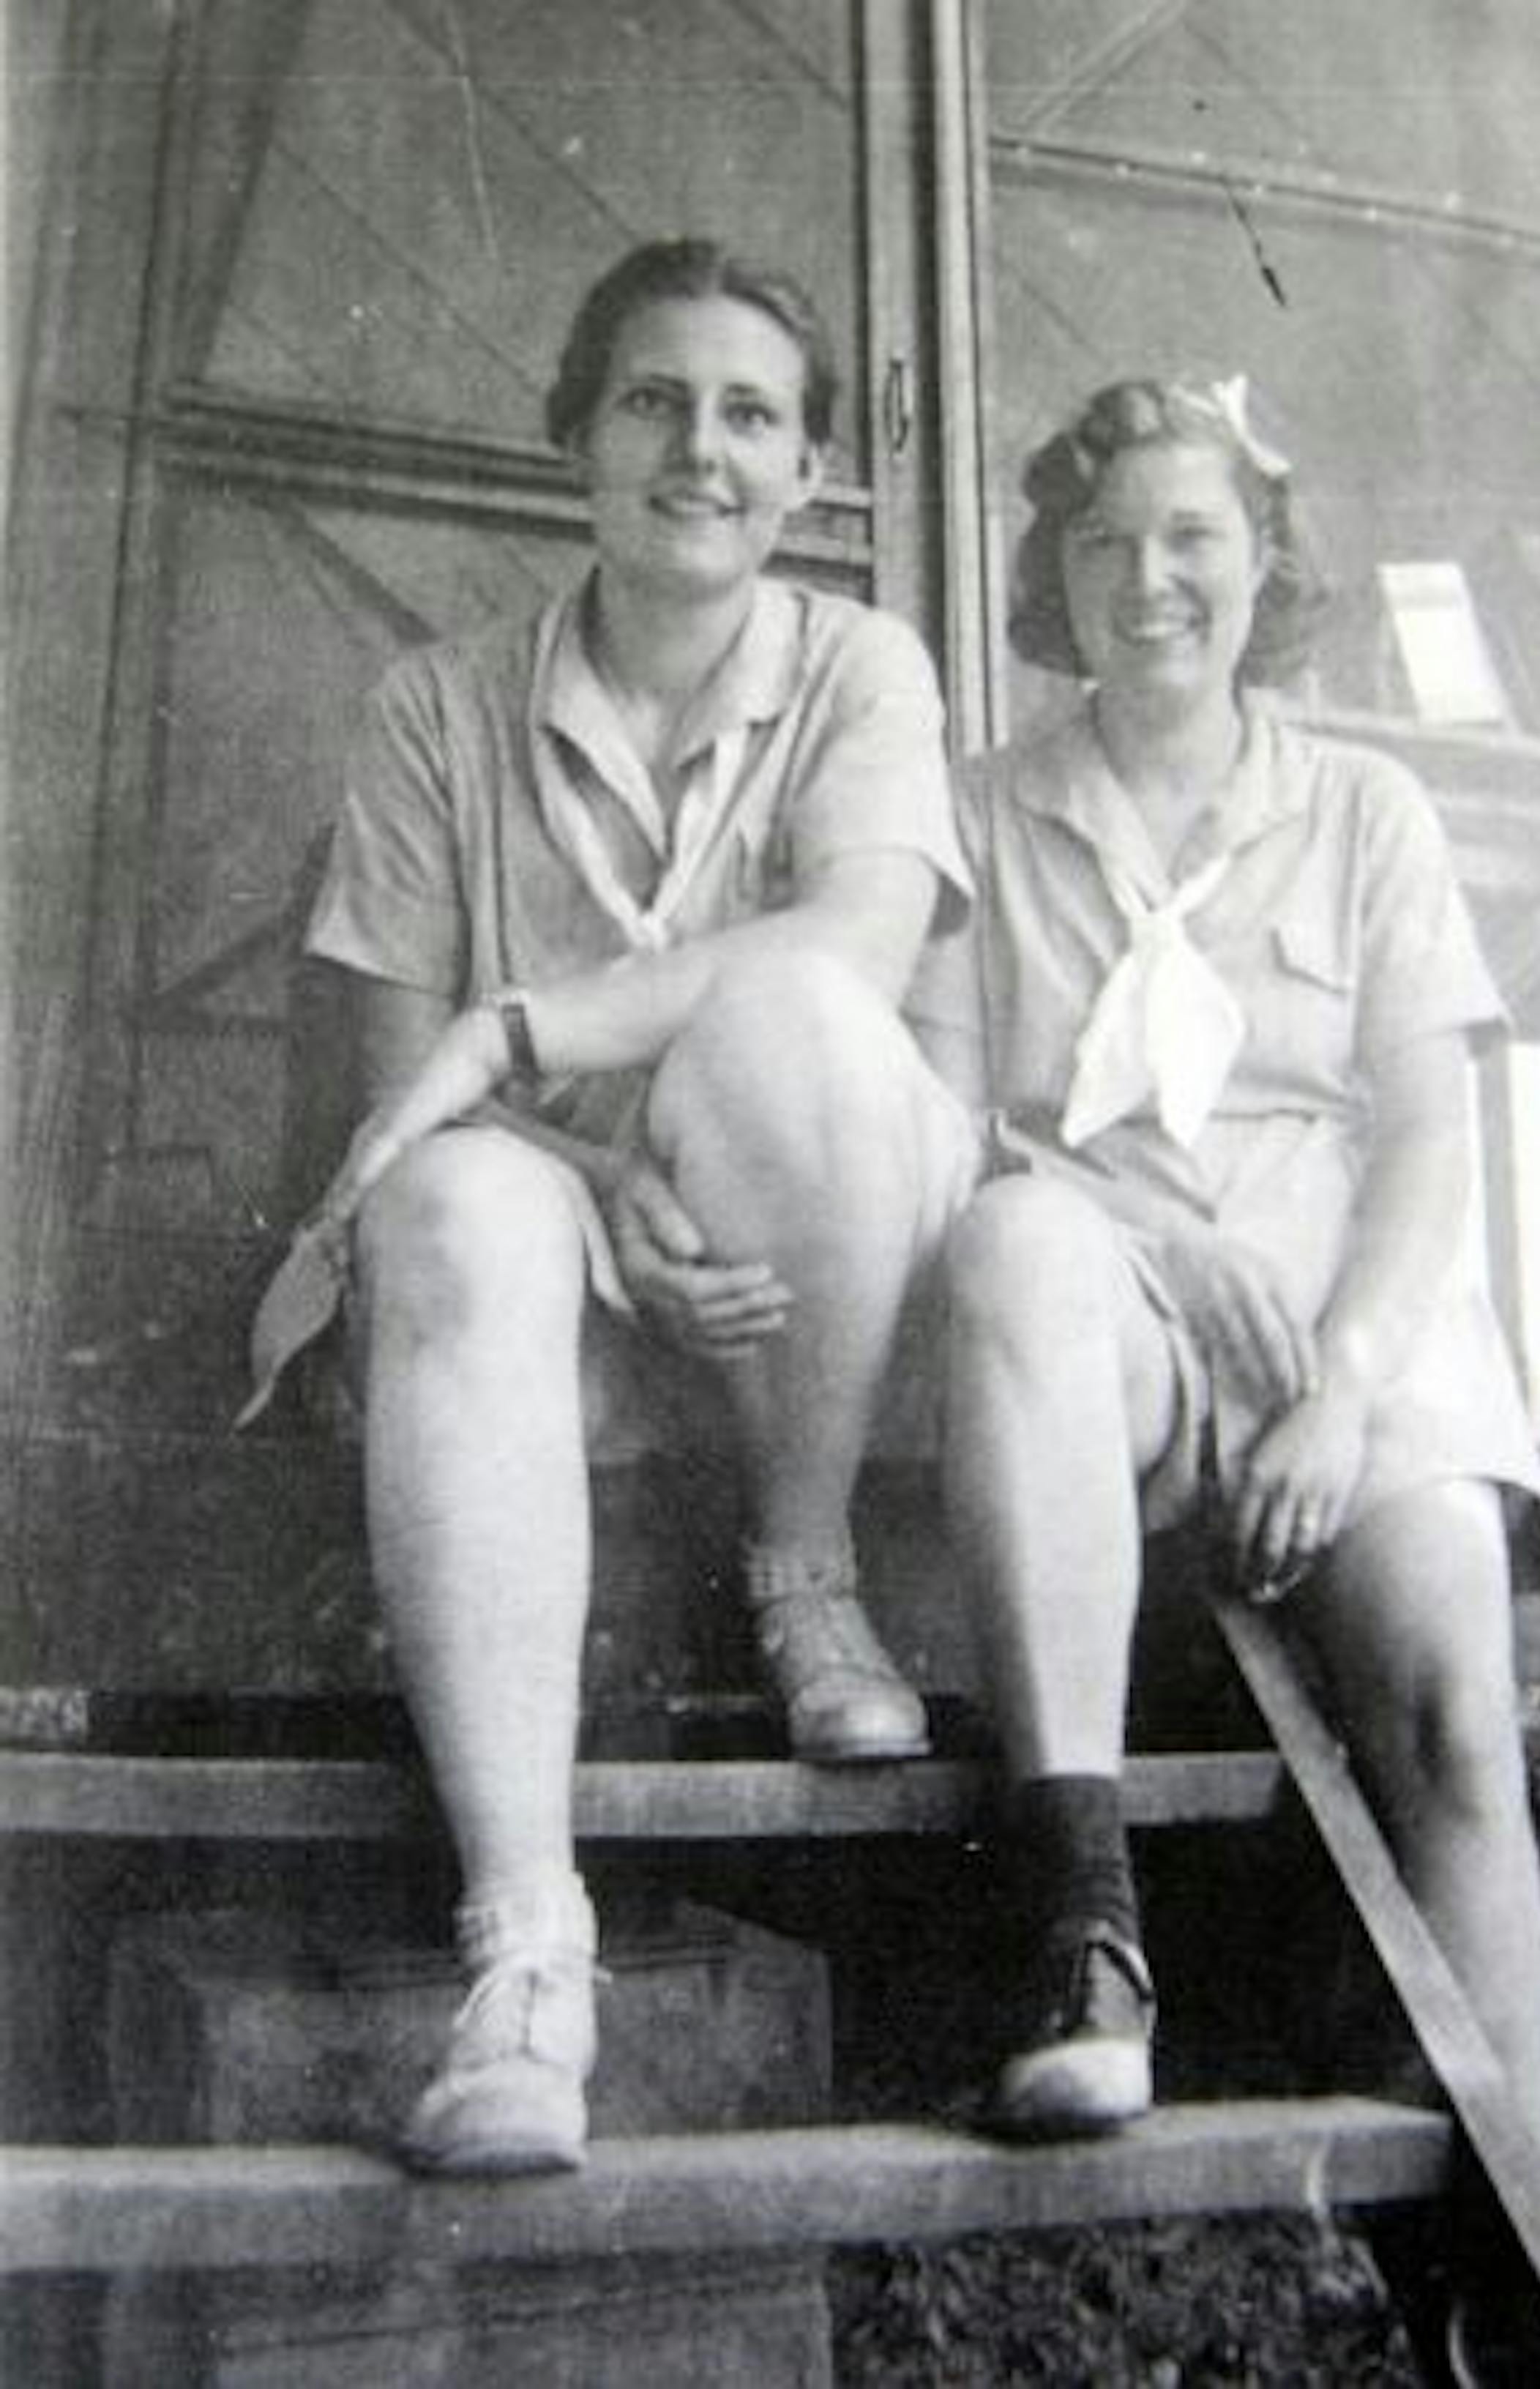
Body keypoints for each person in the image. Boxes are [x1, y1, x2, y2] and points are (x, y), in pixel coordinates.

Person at [288, 238, 978, 2174]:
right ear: (575, 438)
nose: (702, 450)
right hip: (542, 1289)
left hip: (808, 1299)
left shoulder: (862, 668)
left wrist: (523, 1027)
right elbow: (397, 1107)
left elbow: (861, 939)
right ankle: (526, 1954)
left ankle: (802, 1568)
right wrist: (601, 1181)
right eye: (653, 402)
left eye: (753, 415)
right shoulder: (436, 708)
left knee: (803, 1020)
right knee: (458, 1208)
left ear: (811, 469)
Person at [910, 376, 1540, 2152]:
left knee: (1447, 1710)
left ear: (1264, 562)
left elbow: (1426, 1138)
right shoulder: (979, 812)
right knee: (1015, 1241)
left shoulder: (1363, 807)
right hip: (1110, 1316)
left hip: (1355, 1312)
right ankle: (1087, 1947)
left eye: (1193, 536)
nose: (1149, 580)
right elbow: (950, 1131)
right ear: (1054, 574)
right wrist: (1164, 1253)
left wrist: (1342, 1392)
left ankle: (1520, 2203)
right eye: (1102, 542)